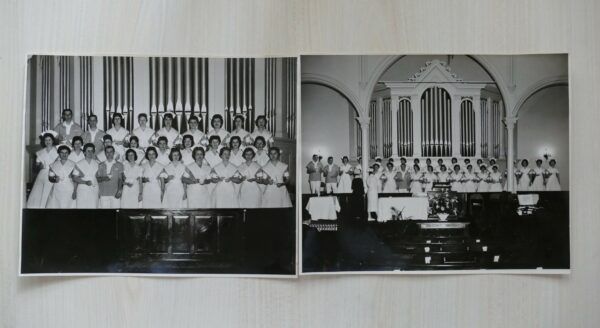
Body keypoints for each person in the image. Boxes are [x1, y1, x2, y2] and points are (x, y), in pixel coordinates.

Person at [27, 133, 59, 208]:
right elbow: (37, 165)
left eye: (49, 140)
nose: (48, 142)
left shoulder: (57, 151)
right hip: (42, 173)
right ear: (44, 142)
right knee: (39, 191)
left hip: (53, 173)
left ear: (52, 141)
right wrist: (38, 165)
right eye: (46, 140)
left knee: (49, 191)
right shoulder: (40, 152)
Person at [72, 143, 99, 208]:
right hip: (82, 189)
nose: (90, 153)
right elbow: (74, 178)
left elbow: (98, 177)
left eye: (92, 151)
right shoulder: (79, 164)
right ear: (84, 152)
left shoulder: (97, 163)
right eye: (88, 151)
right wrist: (84, 182)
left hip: (94, 188)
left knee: (93, 207)